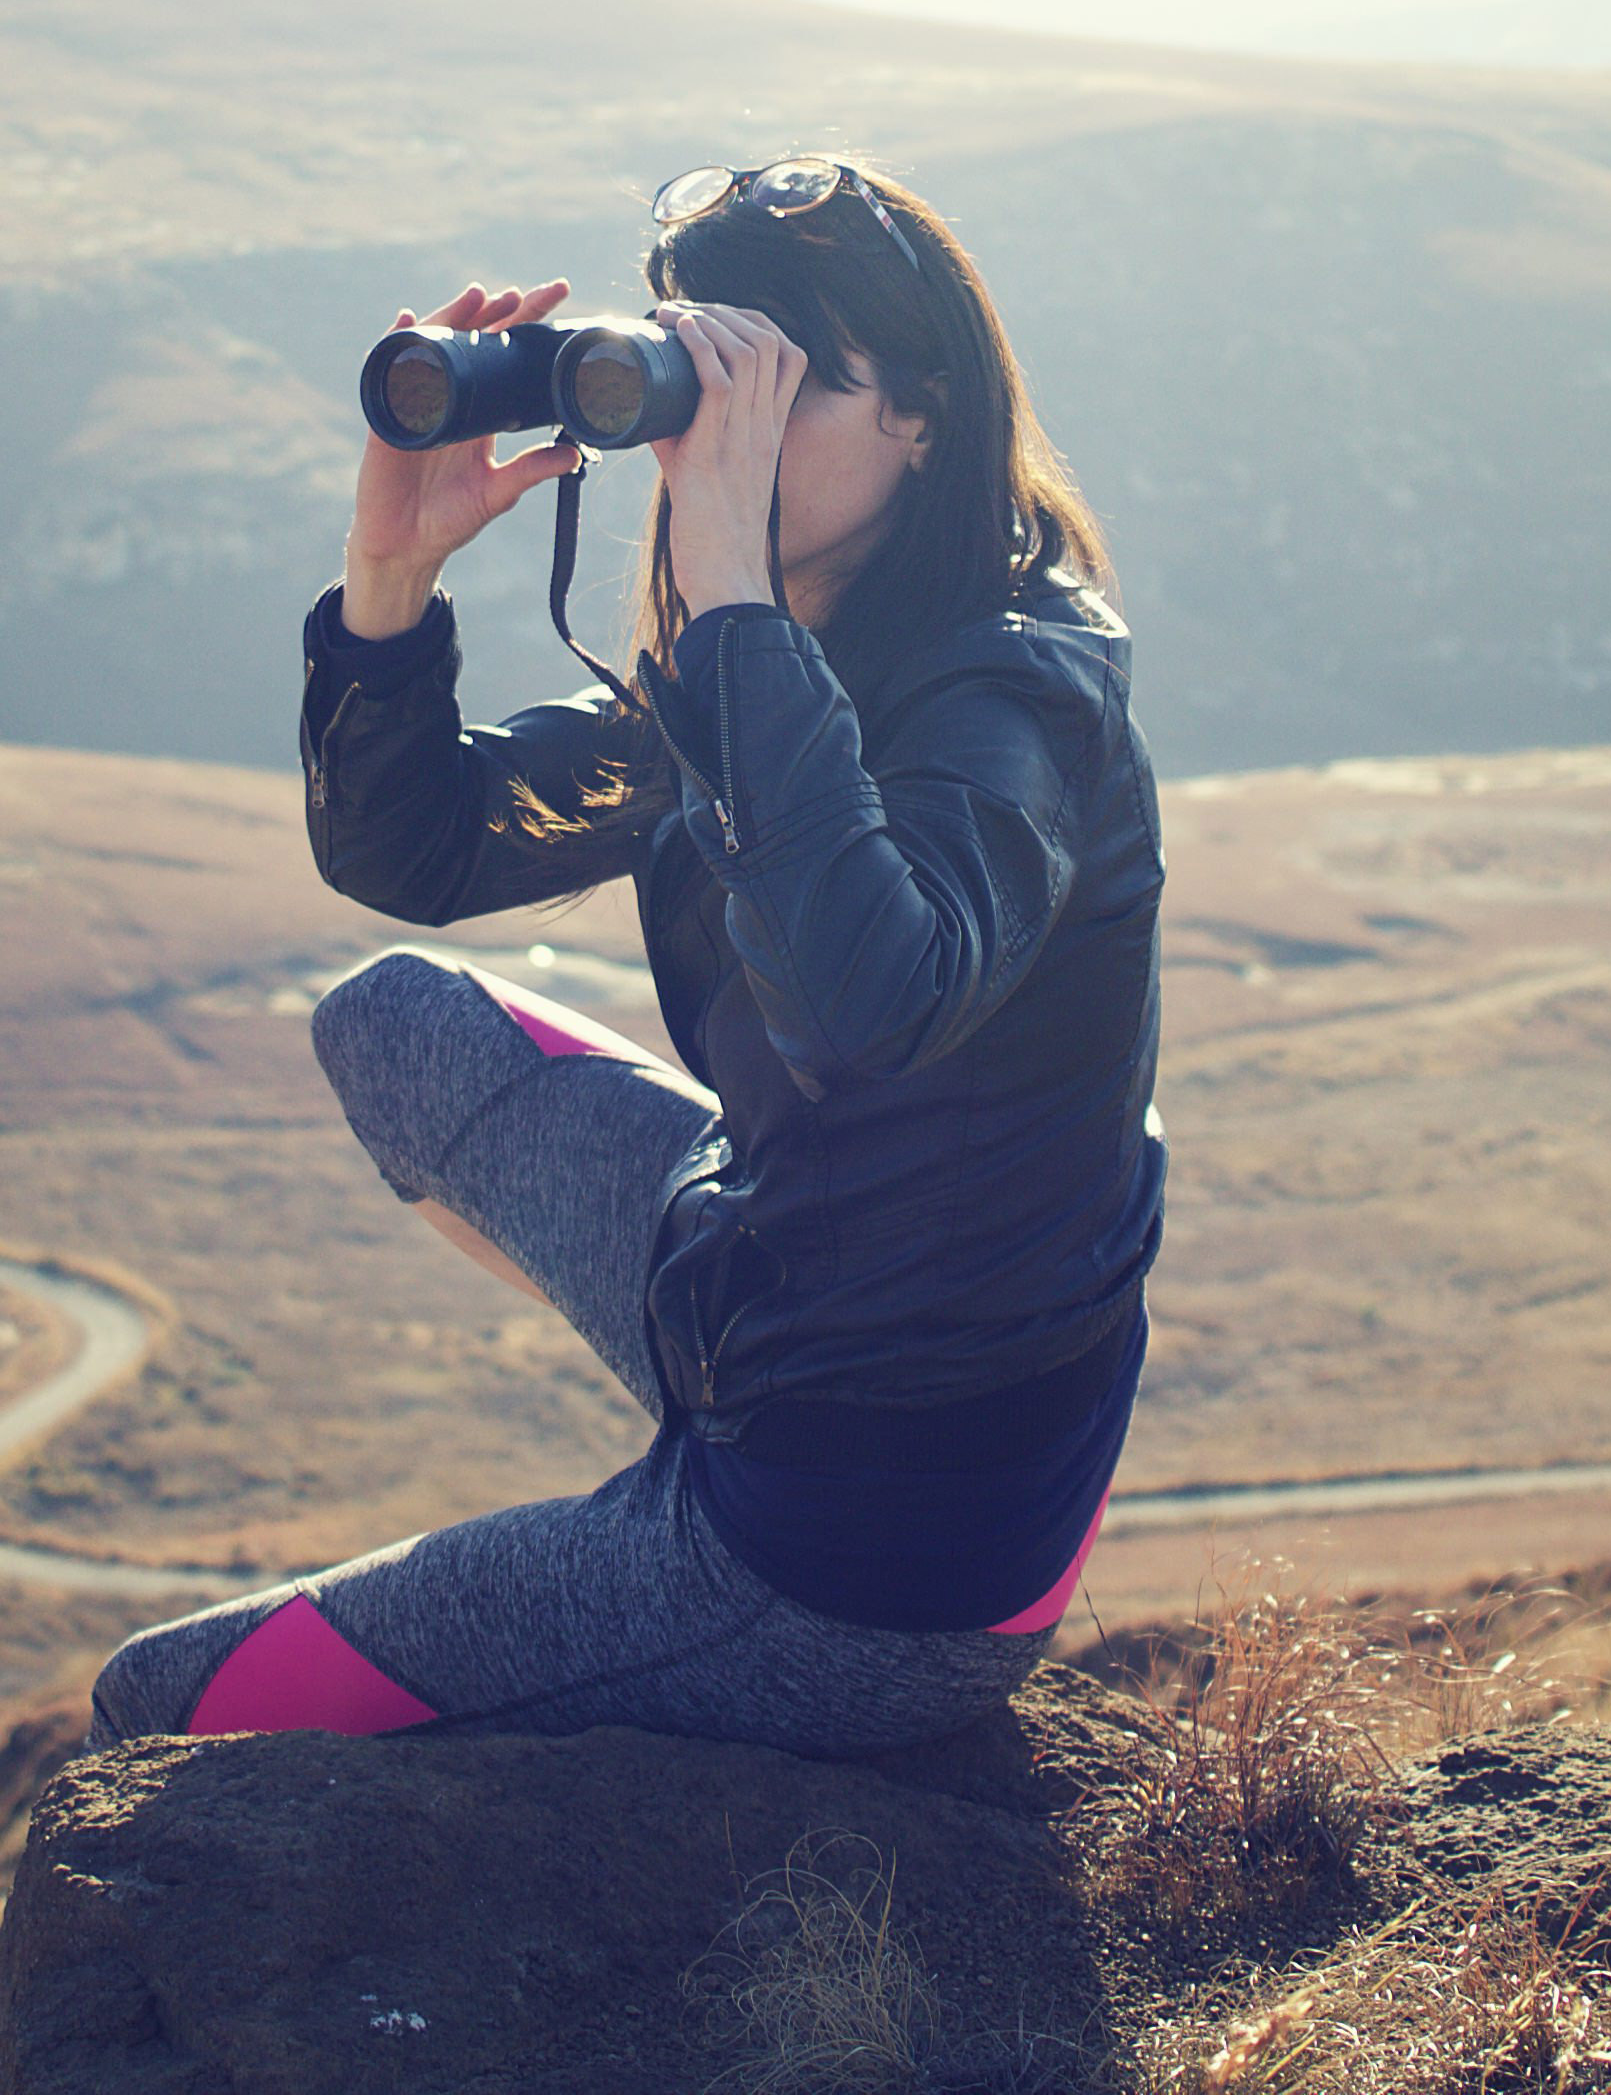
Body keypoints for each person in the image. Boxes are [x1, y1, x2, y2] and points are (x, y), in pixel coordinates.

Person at [83, 154, 1166, 1757]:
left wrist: (728, 588)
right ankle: (690, 1455)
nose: (710, 444)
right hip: (782, 1288)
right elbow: (422, 853)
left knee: (160, 1707)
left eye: (783, 391)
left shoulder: (1009, 706)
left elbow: (875, 1009)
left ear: (925, 418)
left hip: (873, 1554)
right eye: (695, 383)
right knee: (393, 1025)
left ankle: (682, 1560)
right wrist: (391, 582)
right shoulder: (793, 641)